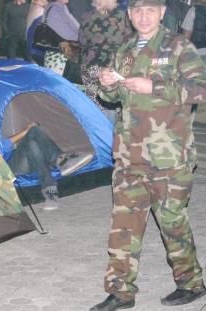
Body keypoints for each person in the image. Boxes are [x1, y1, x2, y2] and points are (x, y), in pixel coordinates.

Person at [91, 0, 206, 309]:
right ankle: (120, 291)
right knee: (124, 223)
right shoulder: (125, 48)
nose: (143, 16)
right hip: (130, 155)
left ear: (162, 13)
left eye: (150, 10)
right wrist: (106, 84)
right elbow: (115, 96)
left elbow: (200, 87)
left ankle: (191, 282)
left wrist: (153, 86)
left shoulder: (179, 46)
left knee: (172, 223)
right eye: (137, 10)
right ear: (129, 14)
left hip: (168, 155)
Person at [6, 120, 93, 210]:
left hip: (25, 160)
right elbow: (4, 144)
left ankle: (50, 190)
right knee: (33, 130)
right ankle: (60, 160)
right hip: (9, 167)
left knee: (33, 145)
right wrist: (27, 130)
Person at [78, 0, 131, 122]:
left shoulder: (87, 15)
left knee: (93, 104)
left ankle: (94, 134)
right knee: (113, 105)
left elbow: (81, 40)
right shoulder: (122, 16)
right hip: (111, 68)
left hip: (89, 65)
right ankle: (110, 136)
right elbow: (129, 44)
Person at [42, 0, 79, 77]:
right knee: (58, 83)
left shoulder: (61, 7)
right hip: (59, 55)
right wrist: (82, 38)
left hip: (63, 53)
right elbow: (64, 32)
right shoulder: (55, 9)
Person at [25, 0, 47, 65]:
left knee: (31, 37)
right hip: (37, 14)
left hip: (37, 14)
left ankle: (29, 59)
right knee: (32, 37)